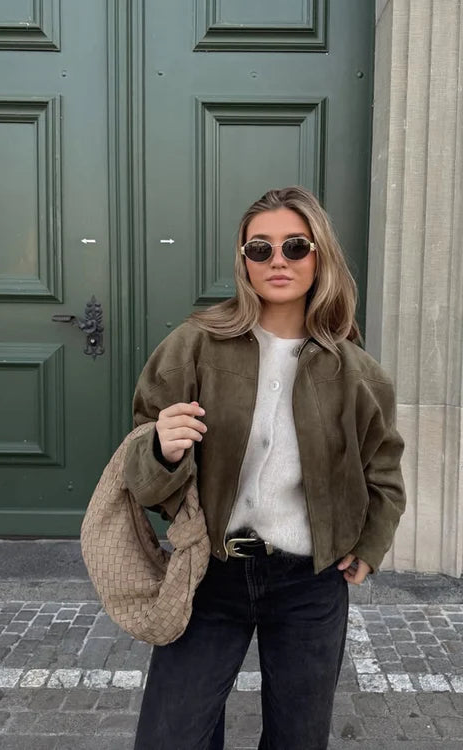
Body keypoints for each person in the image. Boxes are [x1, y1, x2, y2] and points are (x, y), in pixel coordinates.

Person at [125, 186, 406, 750]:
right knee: (170, 737)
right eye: (261, 248)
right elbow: (141, 455)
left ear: (319, 256)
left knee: (298, 738)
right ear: (244, 260)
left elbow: (384, 468)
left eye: (295, 246)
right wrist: (162, 449)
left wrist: (370, 543)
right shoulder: (195, 345)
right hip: (210, 572)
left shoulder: (357, 372)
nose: (278, 260)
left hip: (309, 582)